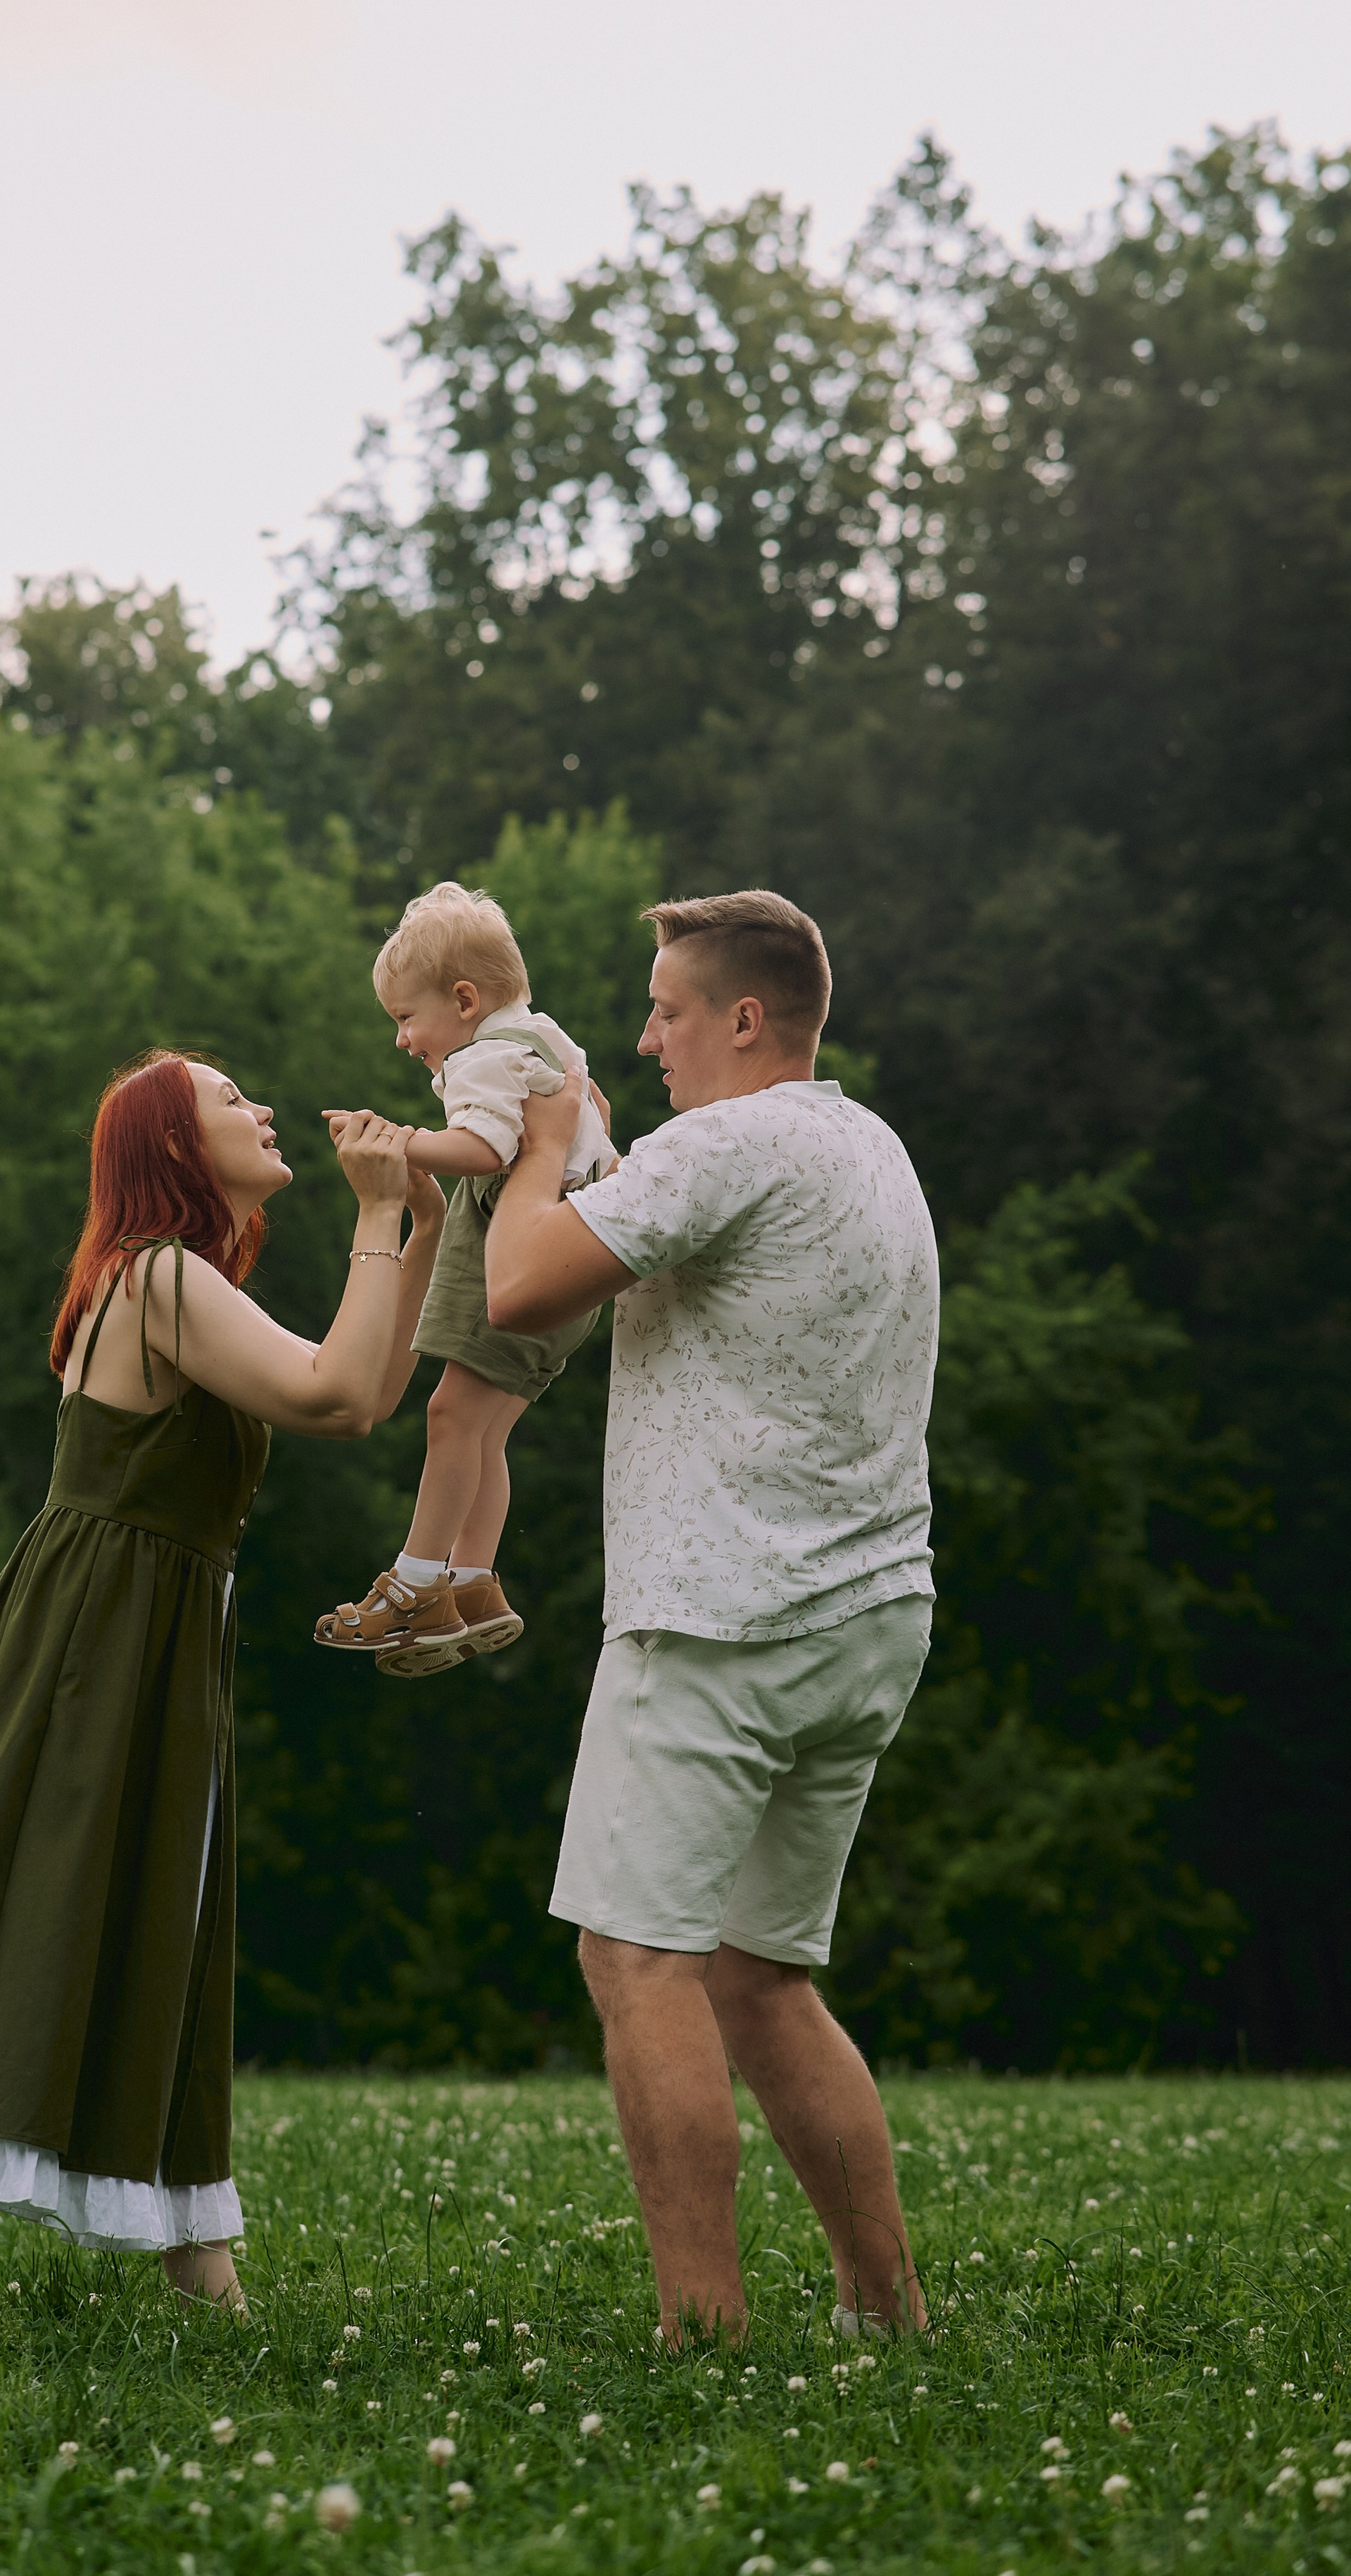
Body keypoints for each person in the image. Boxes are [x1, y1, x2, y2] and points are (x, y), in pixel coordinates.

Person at [0, 1048, 438, 2332]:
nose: (265, 1109)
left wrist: (421, 1223)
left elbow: (374, 1390)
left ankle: (194, 2254)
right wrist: (381, 1215)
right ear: (172, 1145)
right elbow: (335, 1395)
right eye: (232, 1100)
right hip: (94, 1630)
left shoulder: (184, 1282)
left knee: (158, 1907)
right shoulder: (162, 1277)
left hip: (149, 1620)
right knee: (7, 1901)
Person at [486, 891, 939, 2344]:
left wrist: (546, 1146)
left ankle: (703, 2329)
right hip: (868, 1616)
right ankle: (884, 2307)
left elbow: (516, 1289)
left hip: (716, 1619)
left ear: (743, 1018)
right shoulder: (866, 1145)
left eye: (664, 1009)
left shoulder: (727, 1142)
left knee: (636, 1959)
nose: (642, 1035)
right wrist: (609, 1153)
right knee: (758, 1973)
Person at [315, 882, 614, 1675]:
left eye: (407, 1018)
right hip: (576, 1255)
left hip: (510, 1238)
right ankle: (473, 1581)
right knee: (483, 1428)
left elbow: (481, 1148)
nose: (404, 1040)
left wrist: (398, 1142)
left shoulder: (484, 1056)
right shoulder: (549, 1042)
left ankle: (415, 1584)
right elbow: (601, 1128)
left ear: (465, 999)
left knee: (449, 1414)